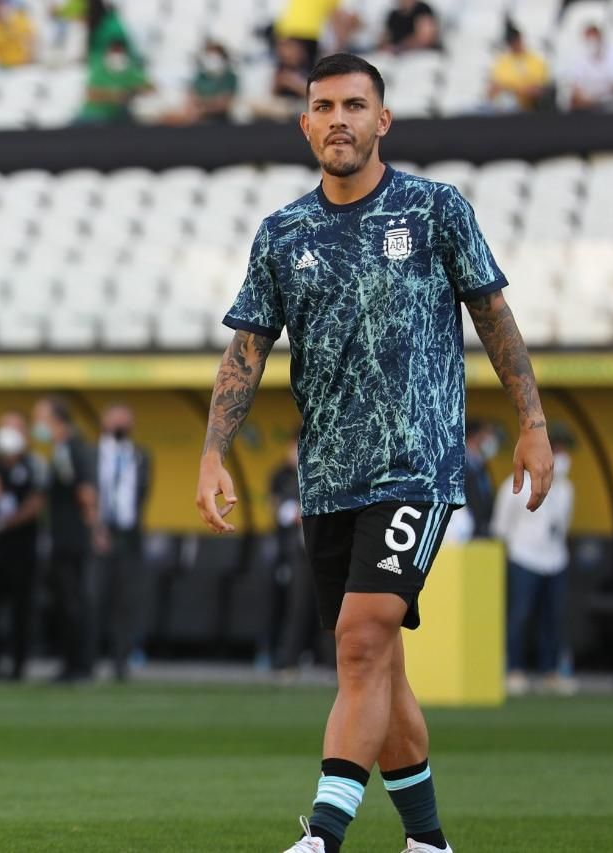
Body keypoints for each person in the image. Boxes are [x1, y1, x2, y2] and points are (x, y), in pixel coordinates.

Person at [195, 53, 554, 853]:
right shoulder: (283, 233)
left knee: (360, 639)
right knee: (377, 665)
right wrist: (213, 451)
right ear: (305, 123)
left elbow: (494, 316)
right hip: (327, 478)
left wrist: (532, 420)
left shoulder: (434, 209)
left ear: (382, 120)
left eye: (355, 105)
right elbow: (245, 352)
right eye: (323, 106)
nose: (339, 120)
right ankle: (428, 843)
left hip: (417, 466)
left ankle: (322, 834)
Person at [494, 429, 575, 697]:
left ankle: (550, 671)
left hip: (555, 560)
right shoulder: (514, 484)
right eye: (557, 450)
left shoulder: (566, 489)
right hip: (523, 558)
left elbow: (564, 525)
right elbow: (501, 527)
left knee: (553, 617)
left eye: (564, 452)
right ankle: (513, 669)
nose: (561, 458)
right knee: (520, 615)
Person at [0, 411, 46, 681]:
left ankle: (18, 665)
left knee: (22, 607)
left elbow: (37, 502)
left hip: (22, 547)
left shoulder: (34, 464)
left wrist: (5, 523)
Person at [33, 396, 97, 683]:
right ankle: (76, 662)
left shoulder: (68, 449)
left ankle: (77, 664)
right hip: (66, 536)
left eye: (41, 418)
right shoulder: (64, 448)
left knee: (71, 599)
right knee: (69, 599)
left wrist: (93, 525)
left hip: (70, 538)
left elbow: (85, 492)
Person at [92, 404, 150, 681]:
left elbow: (142, 494)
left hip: (128, 535)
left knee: (125, 601)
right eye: (116, 420)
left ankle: (121, 661)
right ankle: (88, 658)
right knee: (94, 596)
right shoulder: (92, 454)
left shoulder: (139, 456)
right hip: (99, 533)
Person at [273, 432, 329, 675]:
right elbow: (283, 511)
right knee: (298, 606)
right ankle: (287, 662)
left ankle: (334, 664)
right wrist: (299, 513)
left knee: (330, 609)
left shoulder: (328, 473)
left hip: (328, 551)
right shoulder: (287, 478)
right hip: (301, 552)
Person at [75, 36, 150, 125]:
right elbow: (91, 94)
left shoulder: (129, 71)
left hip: (117, 116)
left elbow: (150, 87)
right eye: (114, 51)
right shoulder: (99, 68)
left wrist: (132, 92)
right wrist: (115, 96)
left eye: (119, 52)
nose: (116, 55)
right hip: (95, 115)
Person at [565, 24, 613, 112]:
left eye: (594, 40)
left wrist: (593, 96)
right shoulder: (580, 58)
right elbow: (575, 91)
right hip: (594, 109)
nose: (592, 43)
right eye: (588, 40)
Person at [488, 27, 551, 113]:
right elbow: (493, 90)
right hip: (506, 110)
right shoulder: (501, 62)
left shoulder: (536, 61)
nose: (515, 44)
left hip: (532, 109)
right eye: (511, 42)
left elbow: (536, 90)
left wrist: (510, 89)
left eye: (516, 41)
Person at [461, 419, 498, 538]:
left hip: (482, 530)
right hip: (465, 531)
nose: (491, 439)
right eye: (487, 434)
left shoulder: (482, 465)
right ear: (475, 436)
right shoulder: (459, 465)